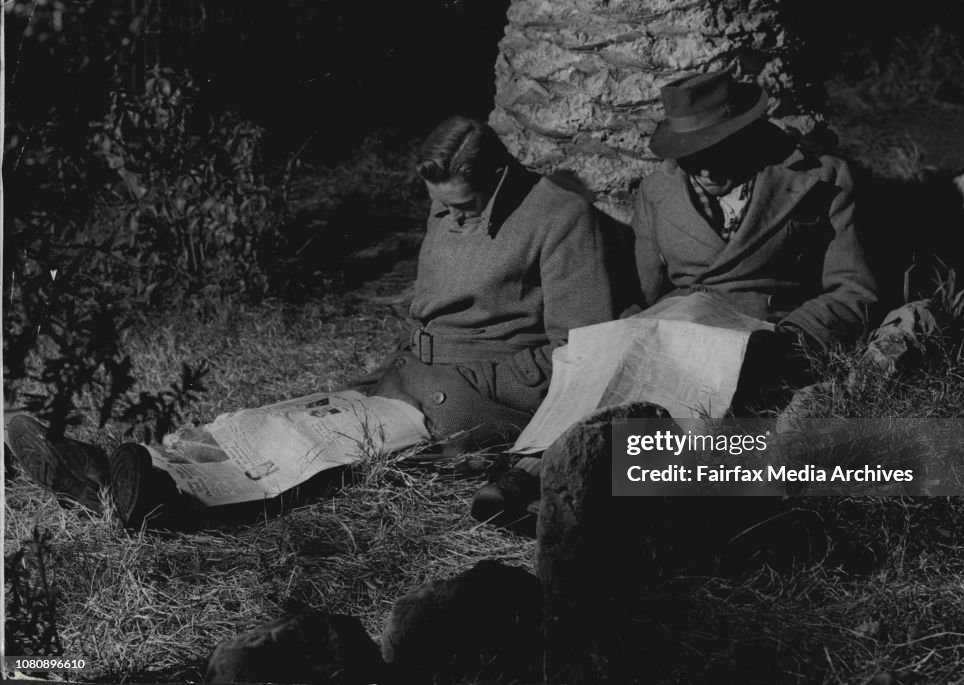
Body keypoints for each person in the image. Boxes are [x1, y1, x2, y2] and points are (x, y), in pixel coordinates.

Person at [7, 115, 616, 529]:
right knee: (266, 422)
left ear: (499, 179)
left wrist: (481, 385)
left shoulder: (561, 219)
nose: (444, 217)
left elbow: (585, 352)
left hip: (473, 396)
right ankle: (113, 466)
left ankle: (155, 501)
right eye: (437, 205)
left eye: (458, 206)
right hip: (413, 371)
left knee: (315, 453)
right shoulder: (452, 197)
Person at [471, 69, 879, 525]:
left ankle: (577, 484)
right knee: (615, 347)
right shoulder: (659, 189)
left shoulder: (819, 179)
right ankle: (532, 469)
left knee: (682, 364)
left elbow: (854, 289)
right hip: (677, 317)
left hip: (761, 331)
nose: (704, 169)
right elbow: (647, 295)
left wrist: (792, 338)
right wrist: (622, 335)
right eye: (691, 155)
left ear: (746, 133)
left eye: (717, 150)